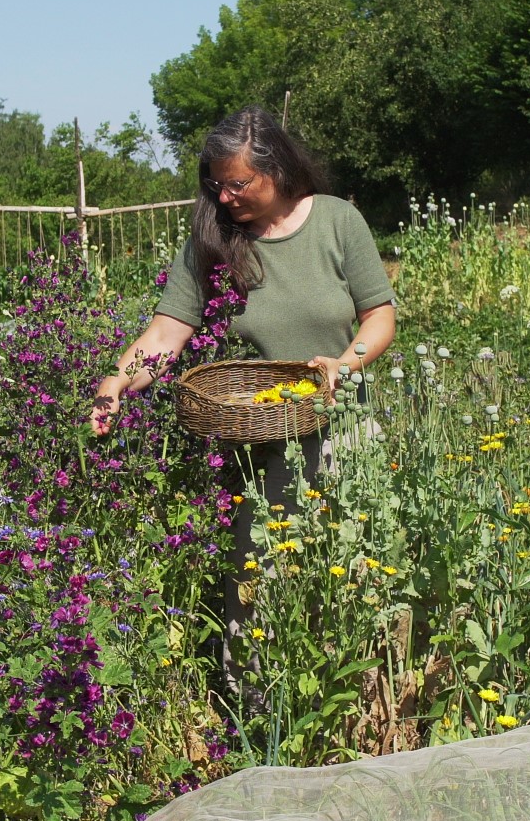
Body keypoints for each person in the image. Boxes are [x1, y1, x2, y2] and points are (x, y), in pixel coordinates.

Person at [88, 106, 396, 708]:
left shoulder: (338, 221)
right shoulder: (212, 240)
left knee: (354, 573)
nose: (224, 197)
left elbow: (379, 315)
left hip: (343, 431)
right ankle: (257, 713)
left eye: (237, 183)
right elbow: (166, 332)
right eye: (215, 185)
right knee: (259, 580)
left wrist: (345, 363)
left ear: (275, 169)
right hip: (255, 440)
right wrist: (115, 384)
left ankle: (359, 709)